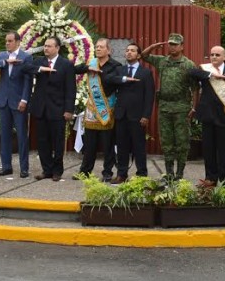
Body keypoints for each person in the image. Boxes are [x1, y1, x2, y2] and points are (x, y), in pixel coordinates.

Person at [142, 33, 196, 180]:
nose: (172, 47)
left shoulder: (188, 64)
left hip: (181, 107)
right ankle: (169, 173)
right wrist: (153, 46)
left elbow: (196, 88)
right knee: (166, 141)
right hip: (165, 106)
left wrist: (194, 107)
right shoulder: (162, 62)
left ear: (182, 46)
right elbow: (144, 56)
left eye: (175, 44)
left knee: (182, 141)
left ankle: (180, 173)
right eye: (170, 44)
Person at [187, 46, 225, 187]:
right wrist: (211, 75)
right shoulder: (205, 70)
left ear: (224, 57)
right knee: (208, 150)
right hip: (208, 116)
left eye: (217, 54)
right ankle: (210, 178)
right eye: (211, 54)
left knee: (224, 151)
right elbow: (190, 72)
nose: (214, 57)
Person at [72, 37, 121, 182]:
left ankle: (107, 173)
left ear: (108, 50)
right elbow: (75, 69)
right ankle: (85, 171)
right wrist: (88, 68)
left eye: (101, 47)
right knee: (89, 143)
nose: (98, 49)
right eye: (96, 46)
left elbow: (115, 81)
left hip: (107, 107)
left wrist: (101, 74)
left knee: (107, 144)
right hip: (92, 109)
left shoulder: (115, 65)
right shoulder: (91, 63)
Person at [0, 31, 34, 178]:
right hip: (3, 101)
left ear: (18, 42)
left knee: (21, 136)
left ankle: (24, 168)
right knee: (4, 135)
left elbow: (28, 80)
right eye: (6, 41)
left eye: (10, 41)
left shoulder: (26, 57)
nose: (7, 43)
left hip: (19, 101)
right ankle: (6, 166)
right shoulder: (2, 56)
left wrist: (24, 100)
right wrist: (4, 62)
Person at [106, 43, 154, 182]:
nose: (129, 53)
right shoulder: (120, 70)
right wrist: (124, 79)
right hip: (121, 115)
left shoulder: (145, 72)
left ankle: (141, 174)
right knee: (122, 146)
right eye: (127, 50)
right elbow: (108, 79)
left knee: (139, 146)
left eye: (132, 51)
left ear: (138, 55)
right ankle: (122, 174)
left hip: (138, 116)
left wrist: (146, 115)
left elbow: (149, 96)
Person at [30, 37, 75, 182]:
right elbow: (25, 68)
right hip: (41, 109)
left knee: (58, 142)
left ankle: (57, 171)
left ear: (57, 48)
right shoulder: (39, 62)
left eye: (49, 46)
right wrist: (40, 69)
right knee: (43, 142)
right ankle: (46, 170)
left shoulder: (66, 64)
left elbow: (70, 89)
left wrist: (69, 109)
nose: (46, 49)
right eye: (45, 46)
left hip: (58, 109)